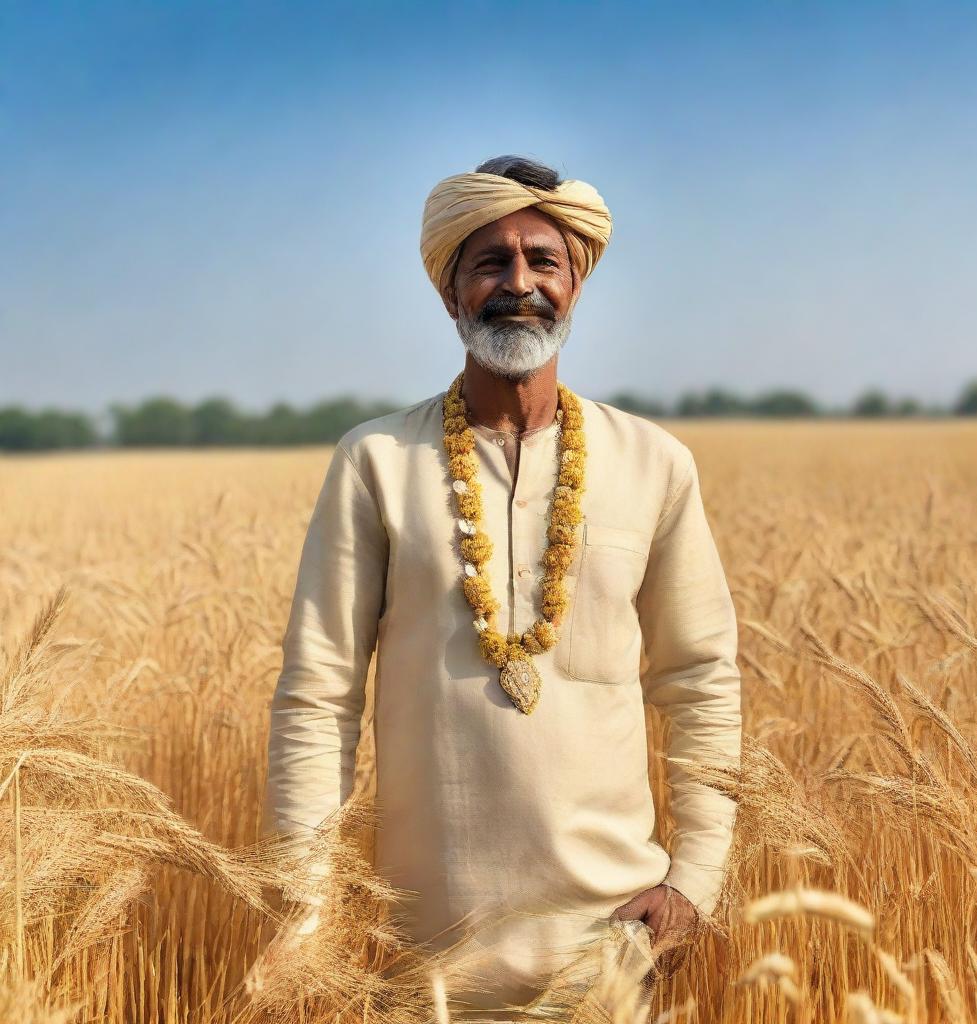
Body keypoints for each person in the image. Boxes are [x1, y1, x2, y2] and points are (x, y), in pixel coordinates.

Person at [260, 154, 742, 1019]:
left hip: (612, 961)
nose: (518, 283)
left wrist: (695, 885)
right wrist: (308, 914)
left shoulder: (655, 464)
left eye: (542, 260)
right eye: (490, 262)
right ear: (450, 293)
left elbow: (701, 681)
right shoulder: (376, 463)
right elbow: (316, 697)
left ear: (576, 285)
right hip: (425, 970)